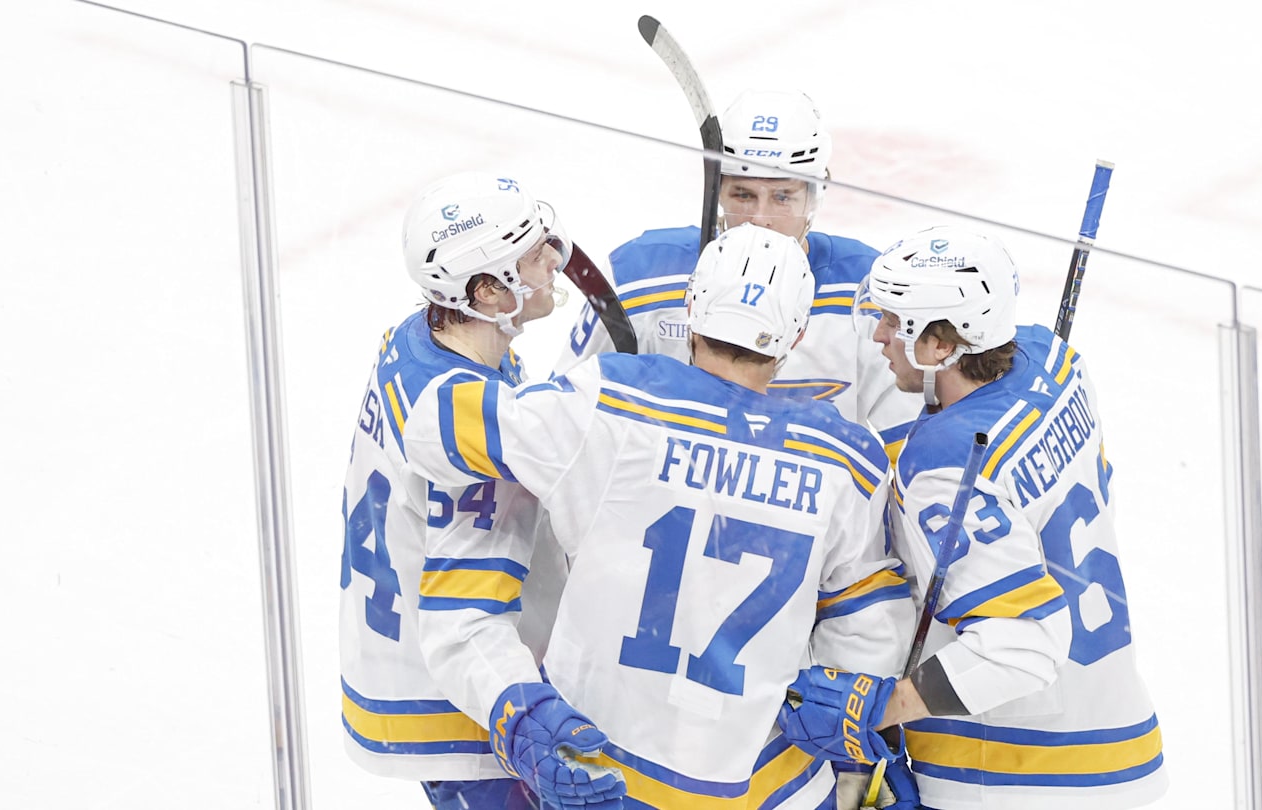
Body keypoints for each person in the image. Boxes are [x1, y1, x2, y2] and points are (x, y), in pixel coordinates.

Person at [404, 223, 916, 809]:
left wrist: (430, 336)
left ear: (692, 309)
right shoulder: (847, 457)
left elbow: (433, 430)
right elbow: (868, 625)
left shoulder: (611, 401)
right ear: (795, 334)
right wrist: (847, 740)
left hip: (599, 769)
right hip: (767, 783)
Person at [781, 226, 1168, 809]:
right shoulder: (1056, 362)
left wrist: (880, 707)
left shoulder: (947, 466)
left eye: (896, 322)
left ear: (942, 346)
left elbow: (1019, 646)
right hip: (1121, 741)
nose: (880, 337)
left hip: (1019, 774)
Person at [339, 171, 609, 809]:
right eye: (530, 254)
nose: (552, 260)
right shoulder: (465, 444)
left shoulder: (426, 340)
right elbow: (464, 622)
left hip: (401, 645)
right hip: (460, 706)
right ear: (487, 291)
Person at [556, 88, 922, 461]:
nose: (761, 219)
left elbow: (911, 452)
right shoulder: (639, 277)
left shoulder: (869, 292)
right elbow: (565, 425)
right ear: (718, 191)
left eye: (782, 197)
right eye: (743, 195)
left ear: (814, 197)